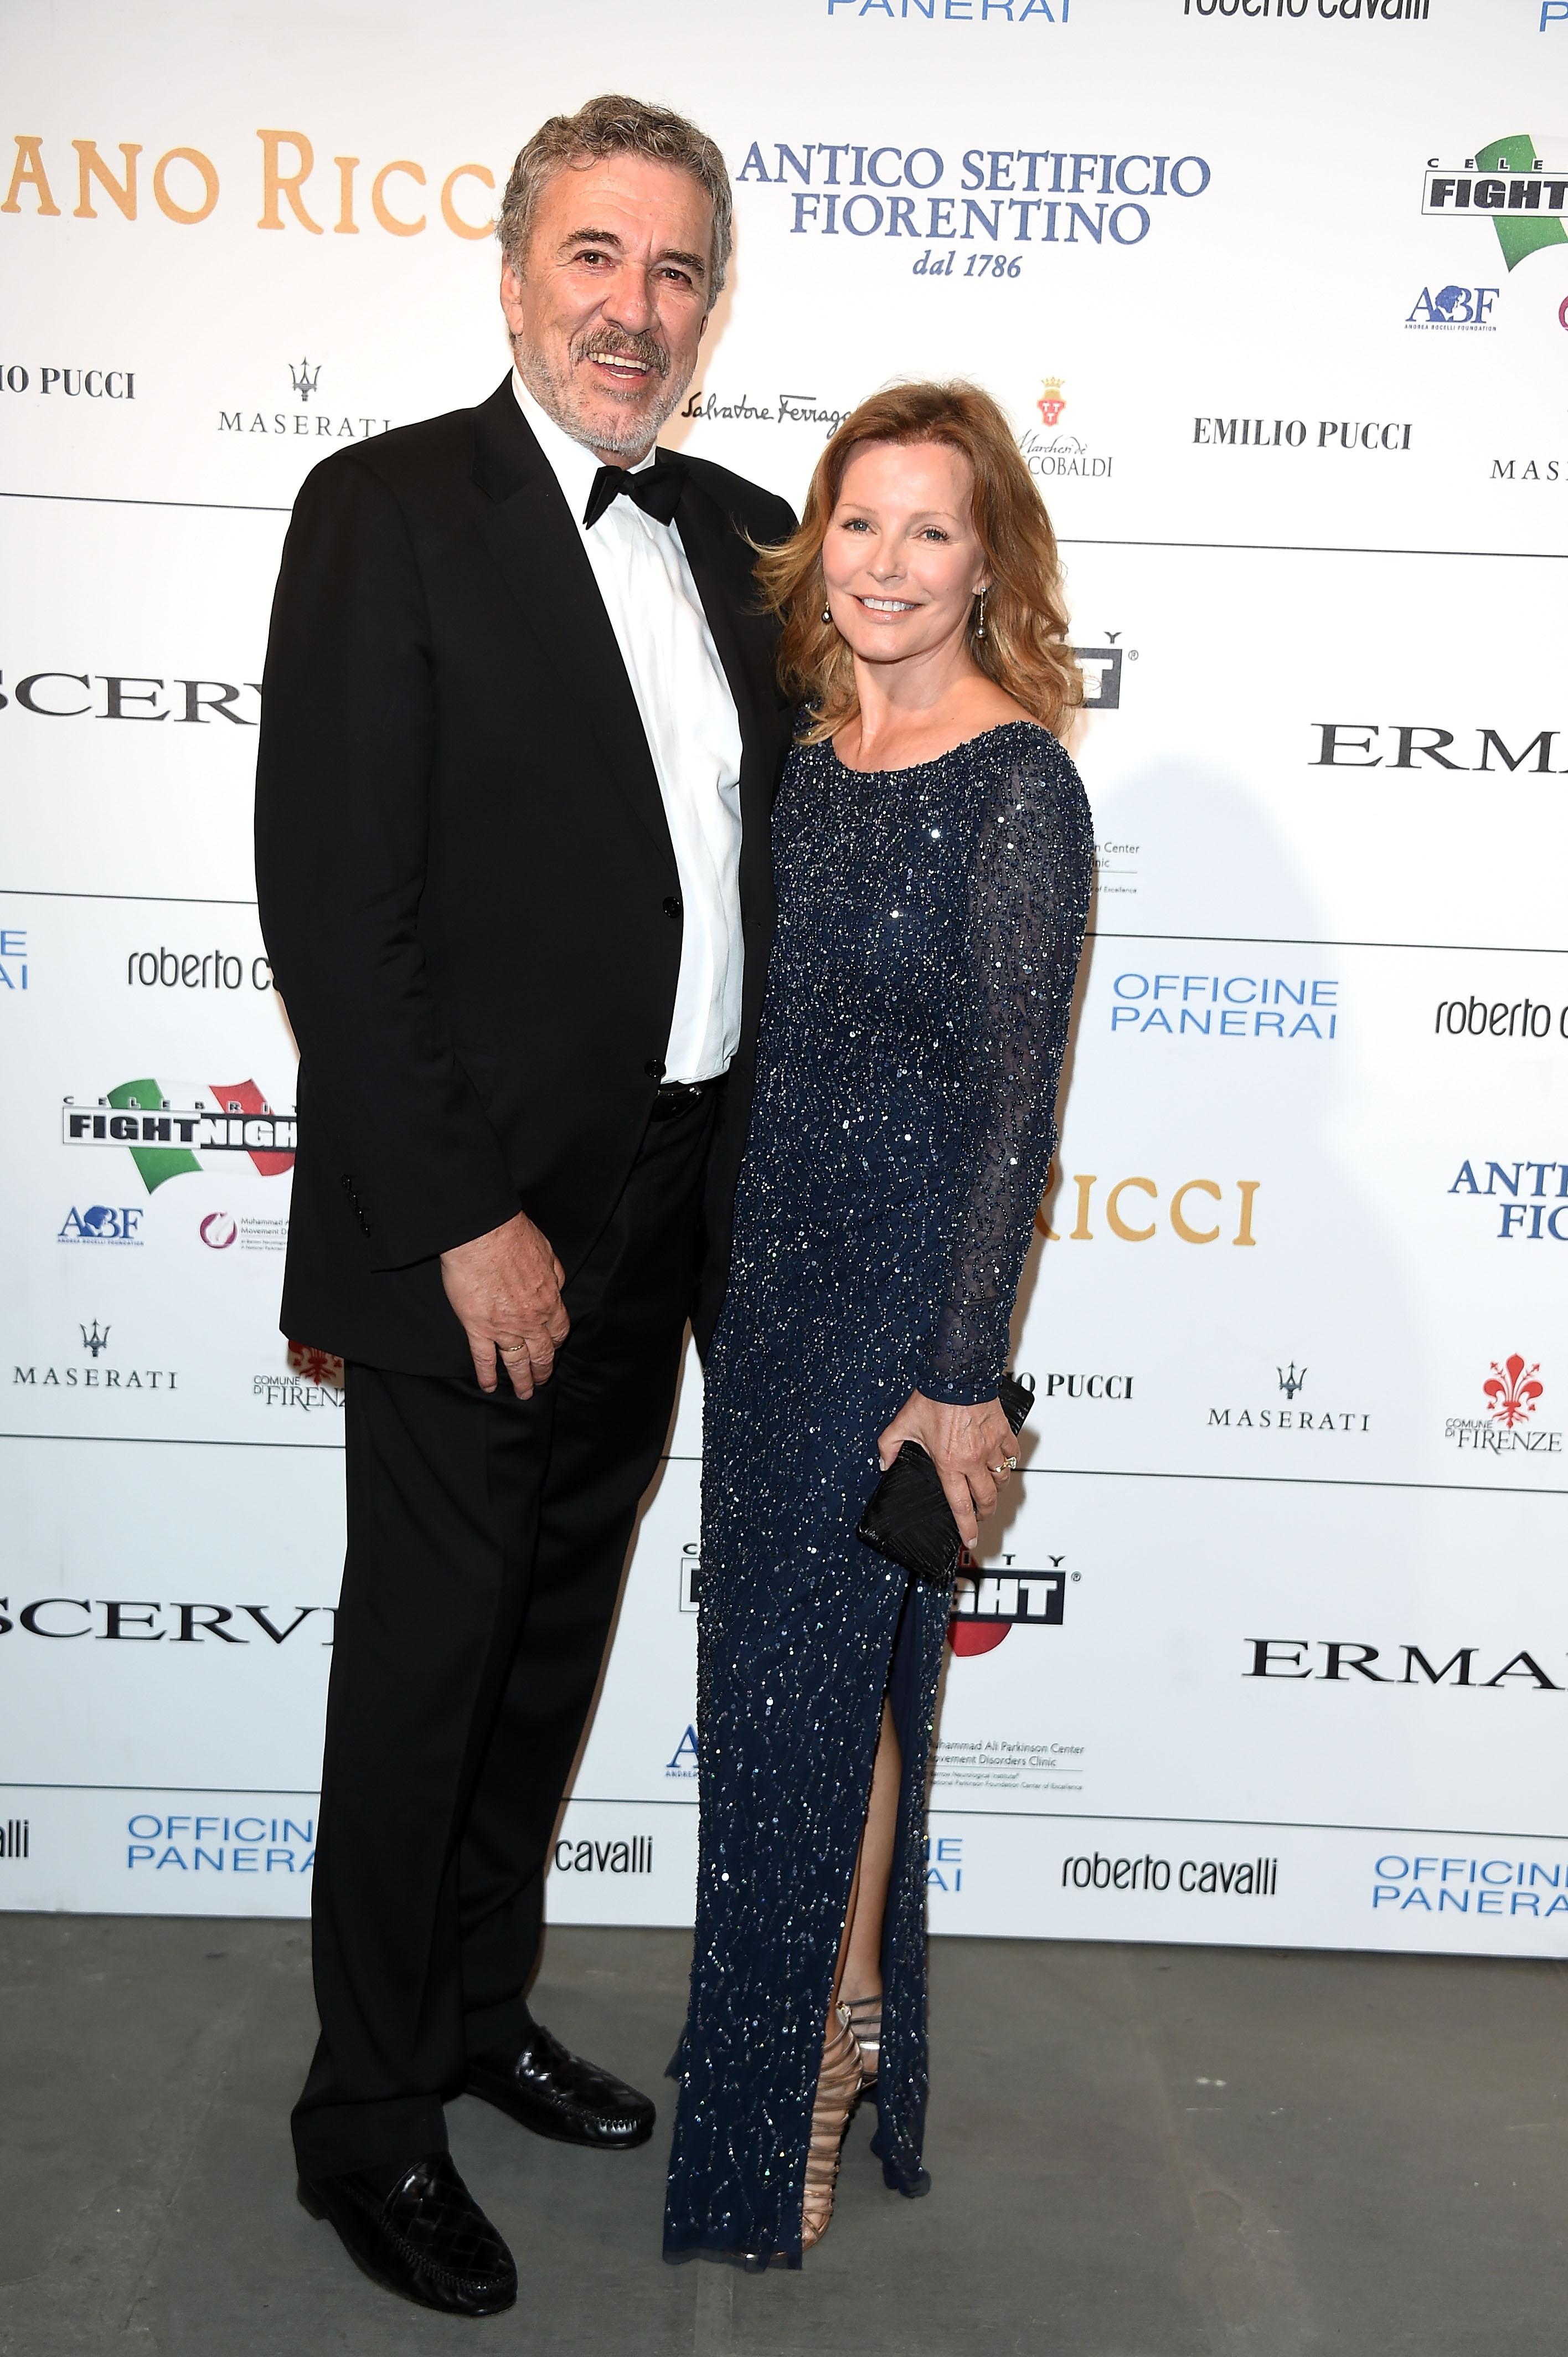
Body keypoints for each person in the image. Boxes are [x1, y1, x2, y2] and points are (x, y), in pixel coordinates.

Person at [254, 95, 796, 2318]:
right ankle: (364, 2114)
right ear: (512, 277)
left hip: (667, 1199)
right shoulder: (385, 509)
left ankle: (475, 2008)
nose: (632, 308)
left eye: (674, 271)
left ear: (711, 306)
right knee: (423, 1665)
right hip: (472, 1219)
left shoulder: (747, 535)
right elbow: (337, 897)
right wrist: (466, 1207)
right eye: (596, 258)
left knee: (549, 1652)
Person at [663, 383, 1093, 2267]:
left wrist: (958, 1377)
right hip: (763, 1286)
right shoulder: (813, 758)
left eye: (932, 531)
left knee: (816, 1691)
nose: (891, 565)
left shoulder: (1019, 785)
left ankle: (814, 2055)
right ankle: (823, 2020)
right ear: (814, 539)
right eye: (861, 523)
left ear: (987, 559)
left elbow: (1019, 1103)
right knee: (794, 1687)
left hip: (900, 1304)